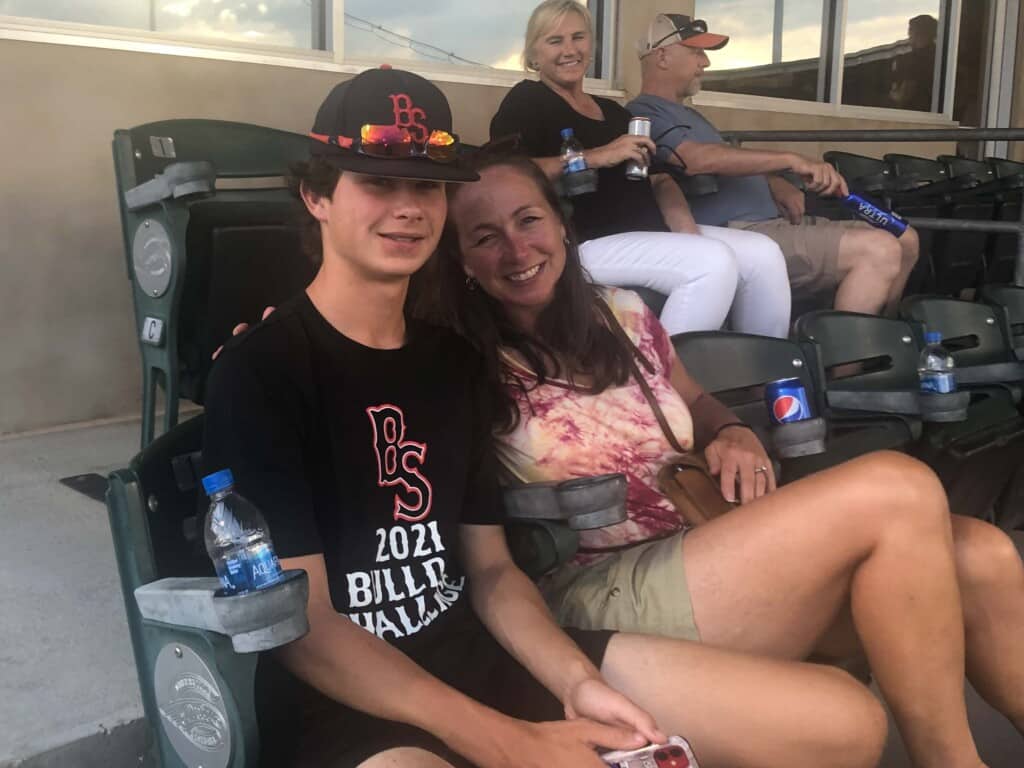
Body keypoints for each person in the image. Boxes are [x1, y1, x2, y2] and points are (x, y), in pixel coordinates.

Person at [202, 67, 889, 768]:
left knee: (845, 724)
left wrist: (578, 683)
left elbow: (492, 572)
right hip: (352, 706)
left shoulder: (451, 358)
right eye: (378, 183)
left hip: (482, 652)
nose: (408, 208)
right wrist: (507, 743)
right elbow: (303, 626)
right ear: (316, 195)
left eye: (426, 185)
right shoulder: (261, 372)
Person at [437, 147, 1024, 767]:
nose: (516, 248)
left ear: (560, 223)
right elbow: (482, 556)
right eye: (485, 237)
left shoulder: (621, 313)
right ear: (464, 262)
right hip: (597, 587)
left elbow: (693, 397)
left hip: (703, 537)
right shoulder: (457, 360)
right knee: (898, 489)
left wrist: (733, 433)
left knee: (979, 555)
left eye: (528, 221)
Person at [489, 0, 791, 338]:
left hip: (648, 231)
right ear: (533, 55)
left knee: (762, 253)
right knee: (711, 264)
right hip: (585, 240)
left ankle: (764, 376)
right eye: (555, 41)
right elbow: (505, 176)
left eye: (578, 37)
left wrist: (687, 232)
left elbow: (661, 179)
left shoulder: (614, 112)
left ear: (591, 45)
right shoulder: (527, 99)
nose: (570, 50)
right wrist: (595, 156)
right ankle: (663, 388)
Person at [628, 14, 920, 317]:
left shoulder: (691, 115)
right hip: (743, 234)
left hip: (774, 225)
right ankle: (847, 360)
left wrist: (773, 180)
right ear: (662, 56)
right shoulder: (643, 112)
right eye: (696, 52)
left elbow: (722, 158)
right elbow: (696, 160)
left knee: (905, 239)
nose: (705, 63)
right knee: (878, 250)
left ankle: (884, 340)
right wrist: (791, 160)